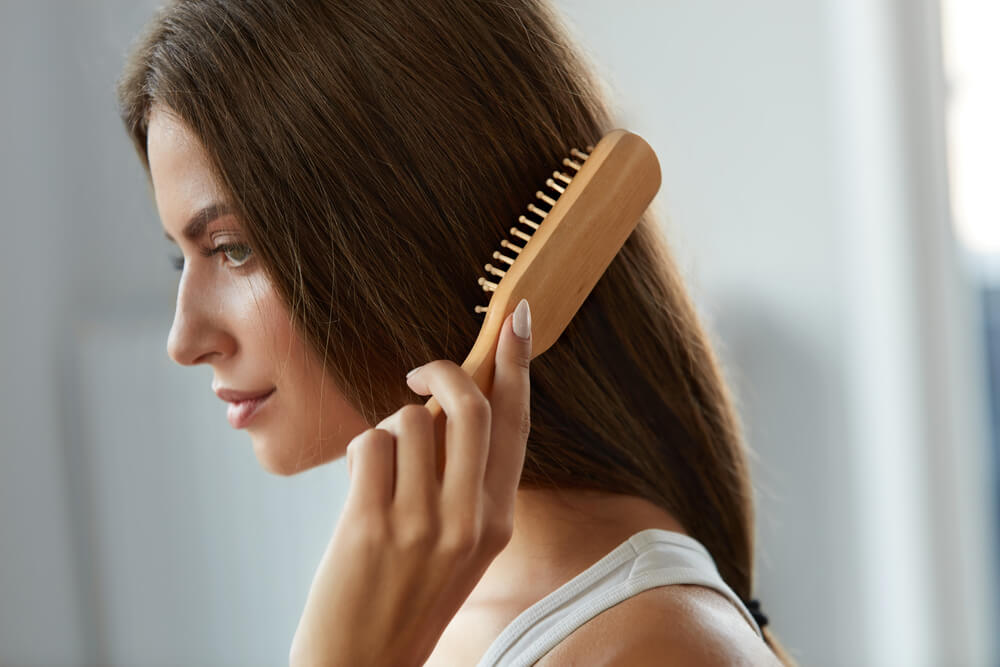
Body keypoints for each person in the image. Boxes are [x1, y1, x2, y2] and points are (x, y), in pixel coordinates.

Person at [117, 1, 794, 664]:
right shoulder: (426, 597)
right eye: (183, 256)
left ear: (414, 229)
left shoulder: (650, 648)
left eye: (233, 249)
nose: (184, 338)